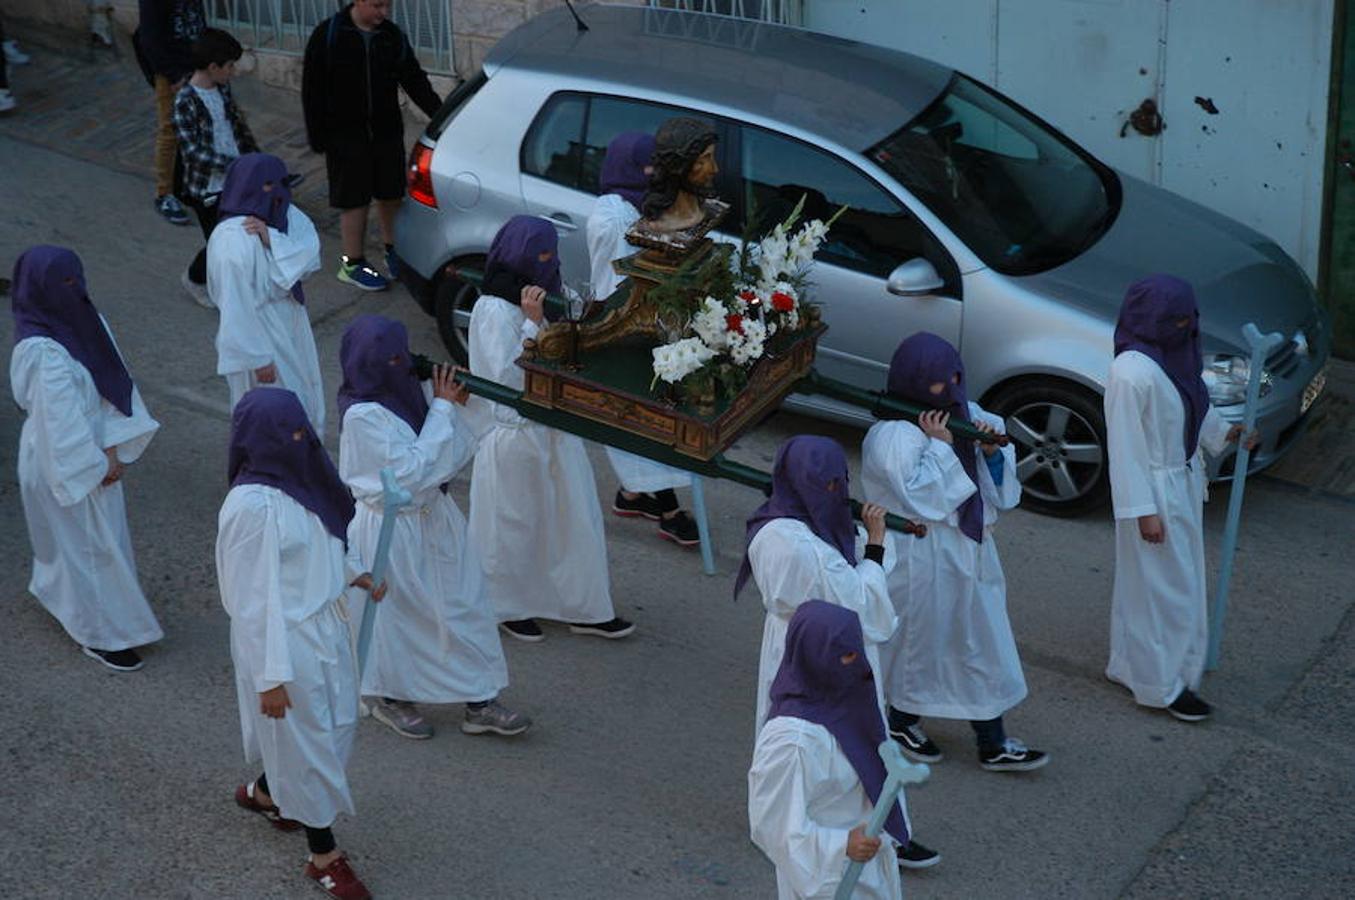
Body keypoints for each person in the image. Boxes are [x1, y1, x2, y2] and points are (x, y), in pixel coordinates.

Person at [218, 387, 383, 900]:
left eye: (301, 429)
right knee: (313, 745)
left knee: (331, 728)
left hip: (324, 631)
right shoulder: (251, 507)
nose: (299, 440)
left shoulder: (301, 477)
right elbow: (251, 601)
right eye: (287, 434)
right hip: (286, 648)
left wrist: (353, 573)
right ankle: (323, 855)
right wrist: (270, 678)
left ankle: (267, 791)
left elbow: (323, 539)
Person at [337, 314, 532, 740]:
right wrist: (444, 406)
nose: (399, 363)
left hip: (436, 517)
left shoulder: (410, 387)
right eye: (389, 358)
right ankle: (391, 696)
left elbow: (455, 443)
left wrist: (460, 399)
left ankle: (480, 699)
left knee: (464, 603)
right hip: (391, 528)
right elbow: (408, 473)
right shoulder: (361, 415)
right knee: (400, 617)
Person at [861, 332, 1047, 773]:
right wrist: (943, 445)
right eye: (941, 383)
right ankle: (902, 720)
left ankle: (993, 739)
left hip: (969, 548)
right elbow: (924, 497)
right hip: (923, 555)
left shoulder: (968, 413)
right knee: (921, 645)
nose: (951, 390)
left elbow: (998, 487)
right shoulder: (890, 436)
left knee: (983, 641)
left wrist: (989, 448)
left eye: (955, 379)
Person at [466, 215, 634, 643]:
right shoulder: (493, 307)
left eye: (550, 254)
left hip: (551, 427)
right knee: (513, 527)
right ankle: (507, 605)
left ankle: (585, 607)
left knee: (572, 521)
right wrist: (532, 322)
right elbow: (504, 377)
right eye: (538, 255)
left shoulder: (543, 295)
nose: (547, 263)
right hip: (514, 432)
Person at [1104, 275, 1252, 722]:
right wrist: (1143, 513)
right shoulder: (1131, 373)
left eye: (1190, 317)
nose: (1188, 326)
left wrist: (1225, 433)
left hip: (1180, 483)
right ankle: (1162, 686)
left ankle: (1131, 664)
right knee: (1166, 590)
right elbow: (1126, 448)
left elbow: (1192, 406)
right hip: (1154, 493)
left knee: (1156, 584)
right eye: (1178, 319)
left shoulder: (1174, 353)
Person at [10, 246, 162, 672]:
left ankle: (66, 598)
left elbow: (111, 377)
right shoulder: (42, 352)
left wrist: (113, 445)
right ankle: (103, 635)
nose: (72, 291)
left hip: (94, 451)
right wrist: (95, 465)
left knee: (93, 543)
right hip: (63, 459)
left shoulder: (84, 318)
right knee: (89, 548)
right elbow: (59, 424)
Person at [749, 601, 911, 899]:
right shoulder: (792, 741)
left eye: (855, 649)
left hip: (867, 867)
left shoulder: (846, 701)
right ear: (813, 655)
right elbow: (772, 825)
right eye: (844, 654)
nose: (855, 660)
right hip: (830, 877)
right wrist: (840, 845)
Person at [585, 130, 699, 546]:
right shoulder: (615, 216)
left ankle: (634, 494)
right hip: (623, 324)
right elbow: (629, 276)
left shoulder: (633, 205)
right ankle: (667, 508)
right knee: (640, 417)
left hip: (640, 319)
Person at [302, 0, 443, 291]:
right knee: (354, 200)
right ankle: (351, 263)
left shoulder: (392, 36)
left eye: (388, 6)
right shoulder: (328, 34)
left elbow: (414, 80)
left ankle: (393, 252)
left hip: (386, 132)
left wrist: (440, 116)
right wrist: (319, 136)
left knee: (391, 194)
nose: (384, 13)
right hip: (344, 135)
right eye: (378, 5)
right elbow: (312, 89)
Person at [209, 153, 326, 435]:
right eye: (266, 186)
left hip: (289, 321)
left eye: (281, 183)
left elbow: (308, 254)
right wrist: (257, 358)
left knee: (303, 397)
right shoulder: (232, 242)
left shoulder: (283, 214)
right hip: (261, 334)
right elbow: (236, 305)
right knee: (273, 417)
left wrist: (272, 239)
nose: (276, 193)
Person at [172, 27, 259, 307]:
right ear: (213, 67)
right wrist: (232, 164)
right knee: (220, 243)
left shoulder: (222, 89)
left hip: (236, 179)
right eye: (230, 66)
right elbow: (193, 152)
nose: (233, 71)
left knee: (244, 233)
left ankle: (240, 283)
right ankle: (196, 278)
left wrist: (255, 159)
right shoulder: (185, 100)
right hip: (207, 187)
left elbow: (237, 128)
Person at [135, 0, 206, 226]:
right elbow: (149, 39)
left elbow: (198, 23)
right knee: (171, 130)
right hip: (172, 72)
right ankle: (164, 194)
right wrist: (173, 75)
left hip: (198, 65)